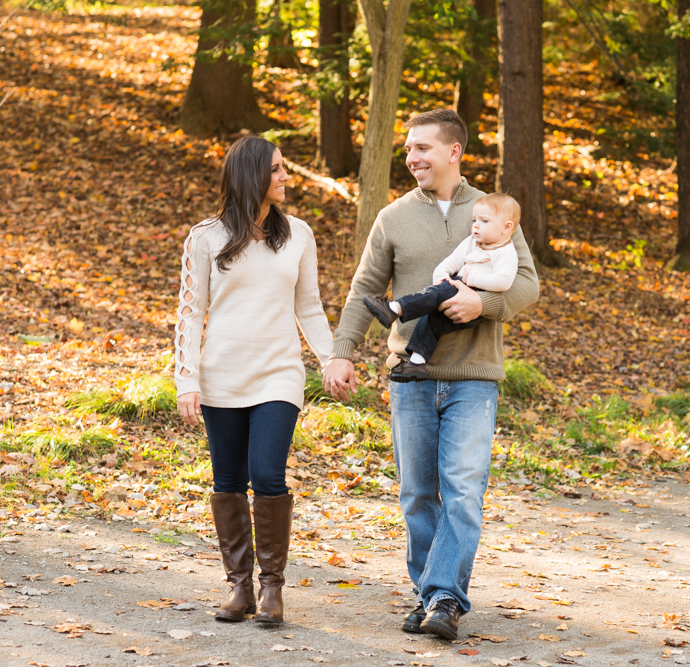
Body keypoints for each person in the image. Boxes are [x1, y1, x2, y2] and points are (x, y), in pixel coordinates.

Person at [323, 109, 539, 640]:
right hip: (410, 376)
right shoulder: (393, 217)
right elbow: (363, 289)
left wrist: (483, 304)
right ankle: (429, 596)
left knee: (463, 488)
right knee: (418, 492)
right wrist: (342, 351)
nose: (412, 157)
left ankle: (445, 597)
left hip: (473, 375)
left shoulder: (494, 211)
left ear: (453, 152)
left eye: (422, 147)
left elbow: (527, 285)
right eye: (407, 149)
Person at [174, 136, 333, 626]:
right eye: (278, 169)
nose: (287, 177)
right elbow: (189, 311)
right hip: (222, 375)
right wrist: (186, 379)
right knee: (227, 481)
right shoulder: (204, 237)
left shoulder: (300, 234)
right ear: (251, 176)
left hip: (279, 374)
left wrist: (331, 359)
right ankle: (238, 585)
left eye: (285, 169)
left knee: (267, 476)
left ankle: (271, 588)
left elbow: (309, 306)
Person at [362, 192, 521, 383]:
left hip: (475, 301)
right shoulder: (472, 241)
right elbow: (450, 262)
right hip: (454, 286)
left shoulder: (506, 253)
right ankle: (417, 362)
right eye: (474, 220)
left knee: (440, 295)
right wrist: (441, 278)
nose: (476, 225)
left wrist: (471, 278)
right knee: (432, 320)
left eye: (484, 221)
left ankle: (395, 309)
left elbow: (503, 281)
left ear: (507, 228)